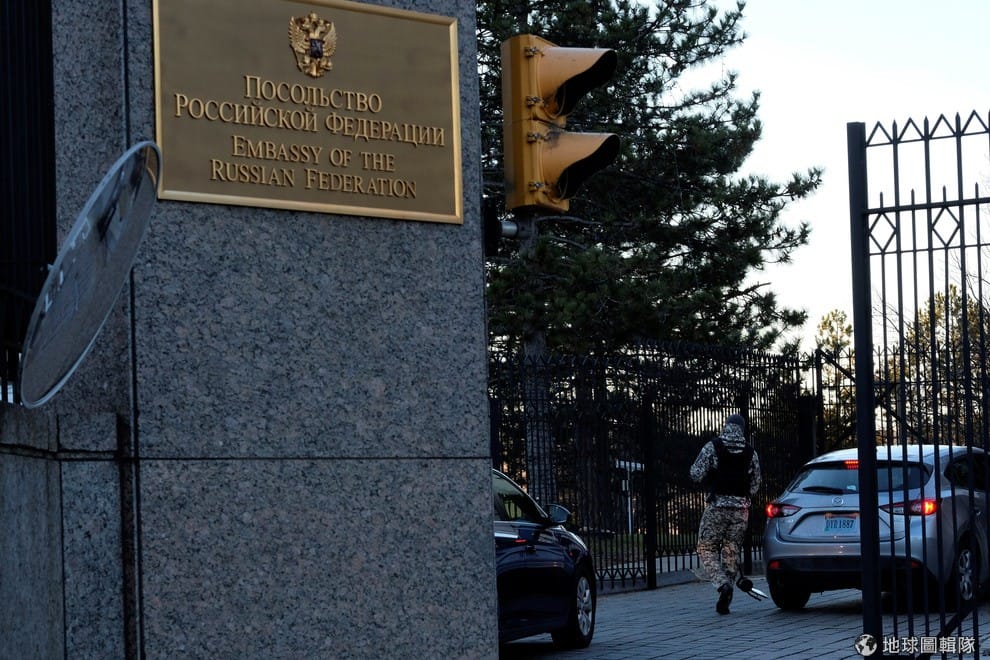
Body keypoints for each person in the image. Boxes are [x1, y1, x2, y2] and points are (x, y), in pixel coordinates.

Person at [689, 413, 761, 614]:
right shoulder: (750, 452)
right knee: (731, 550)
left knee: (706, 547)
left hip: (717, 507)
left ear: (726, 426)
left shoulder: (713, 446)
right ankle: (727, 594)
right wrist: (743, 496)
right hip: (740, 511)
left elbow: (695, 473)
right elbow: (756, 483)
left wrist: (711, 480)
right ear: (742, 429)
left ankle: (722, 584)